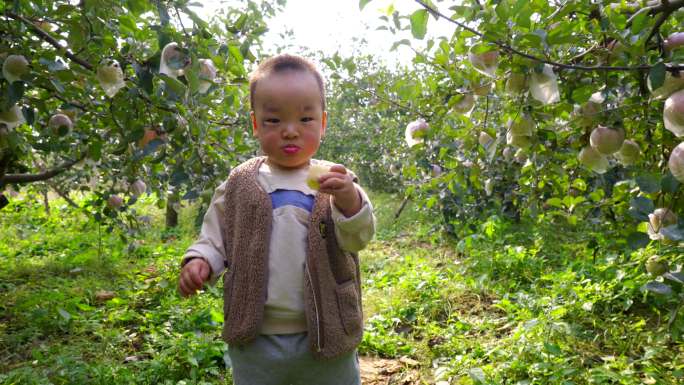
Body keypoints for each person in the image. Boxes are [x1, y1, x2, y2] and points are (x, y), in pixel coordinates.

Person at [178, 53, 375, 385]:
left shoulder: (335, 180)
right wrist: (201, 261)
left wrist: (349, 199)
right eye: (273, 121)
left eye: (305, 119)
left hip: (328, 326)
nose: (289, 131)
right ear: (255, 124)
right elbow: (215, 236)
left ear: (323, 123)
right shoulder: (239, 182)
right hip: (256, 336)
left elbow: (358, 237)